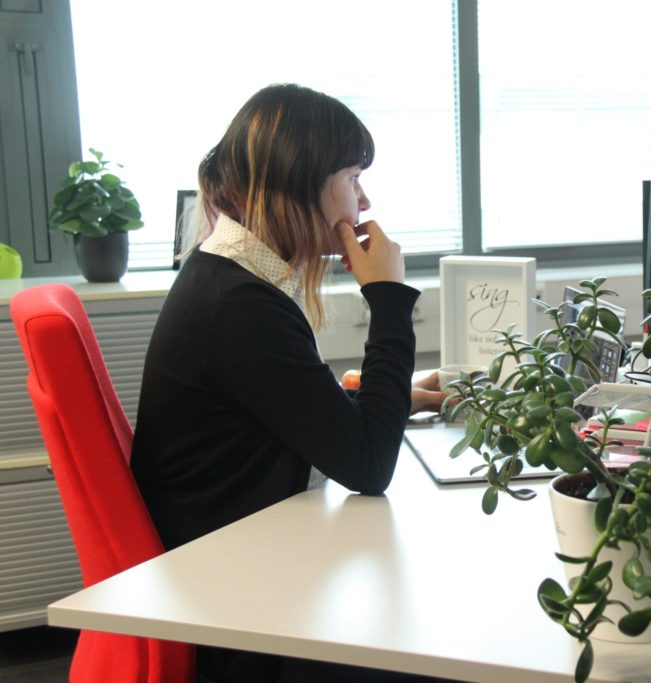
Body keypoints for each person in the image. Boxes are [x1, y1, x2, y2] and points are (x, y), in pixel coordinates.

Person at [130, 83, 446, 682]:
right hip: (238, 614)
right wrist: (387, 296)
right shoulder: (240, 307)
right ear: (304, 183)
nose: (364, 198)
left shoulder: (227, 277)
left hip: (236, 570)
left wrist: (377, 399)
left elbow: (283, 412)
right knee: (444, 646)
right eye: (353, 177)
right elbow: (369, 466)